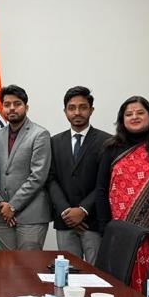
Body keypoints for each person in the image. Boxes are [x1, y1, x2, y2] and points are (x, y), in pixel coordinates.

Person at [95, 96, 149, 292]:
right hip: (119, 231)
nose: (134, 117)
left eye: (140, 113)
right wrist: (105, 227)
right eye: (129, 114)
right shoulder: (111, 148)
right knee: (118, 284)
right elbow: (101, 190)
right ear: (122, 120)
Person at [47, 86, 111, 264]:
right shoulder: (54, 141)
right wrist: (66, 211)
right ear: (65, 111)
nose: (77, 112)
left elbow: (106, 181)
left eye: (83, 107)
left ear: (91, 110)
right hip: (65, 220)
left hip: (93, 220)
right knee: (67, 270)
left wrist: (83, 210)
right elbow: (50, 179)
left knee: (95, 270)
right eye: (72, 108)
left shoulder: (107, 141)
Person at [0, 85, 52, 250]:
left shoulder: (40, 134)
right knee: (5, 264)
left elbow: (38, 176)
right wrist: (0, 204)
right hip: (2, 215)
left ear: (26, 107)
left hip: (31, 215)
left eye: (17, 104)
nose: (12, 108)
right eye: (7, 104)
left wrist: (13, 206)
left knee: (28, 264)